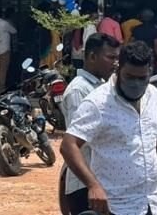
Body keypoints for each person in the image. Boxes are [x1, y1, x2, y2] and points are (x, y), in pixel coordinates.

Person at [60, 41, 157, 215]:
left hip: (156, 202)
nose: (136, 83)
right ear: (118, 69)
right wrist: (93, 185)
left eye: (142, 78)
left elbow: (153, 135)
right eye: (130, 77)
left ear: (150, 72)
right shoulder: (98, 102)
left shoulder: (153, 95)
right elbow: (68, 145)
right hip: (119, 206)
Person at [59, 33, 121, 215]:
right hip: (85, 185)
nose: (115, 63)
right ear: (92, 57)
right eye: (110, 57)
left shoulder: (103, 86)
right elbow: (79, 140)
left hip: (102, 183)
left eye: (117, 58)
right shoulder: (79, 90)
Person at [0, 8, 17, 92]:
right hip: (5, 49)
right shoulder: (4, 23)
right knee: (3, 70)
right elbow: (14, 31)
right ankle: (1, 88)